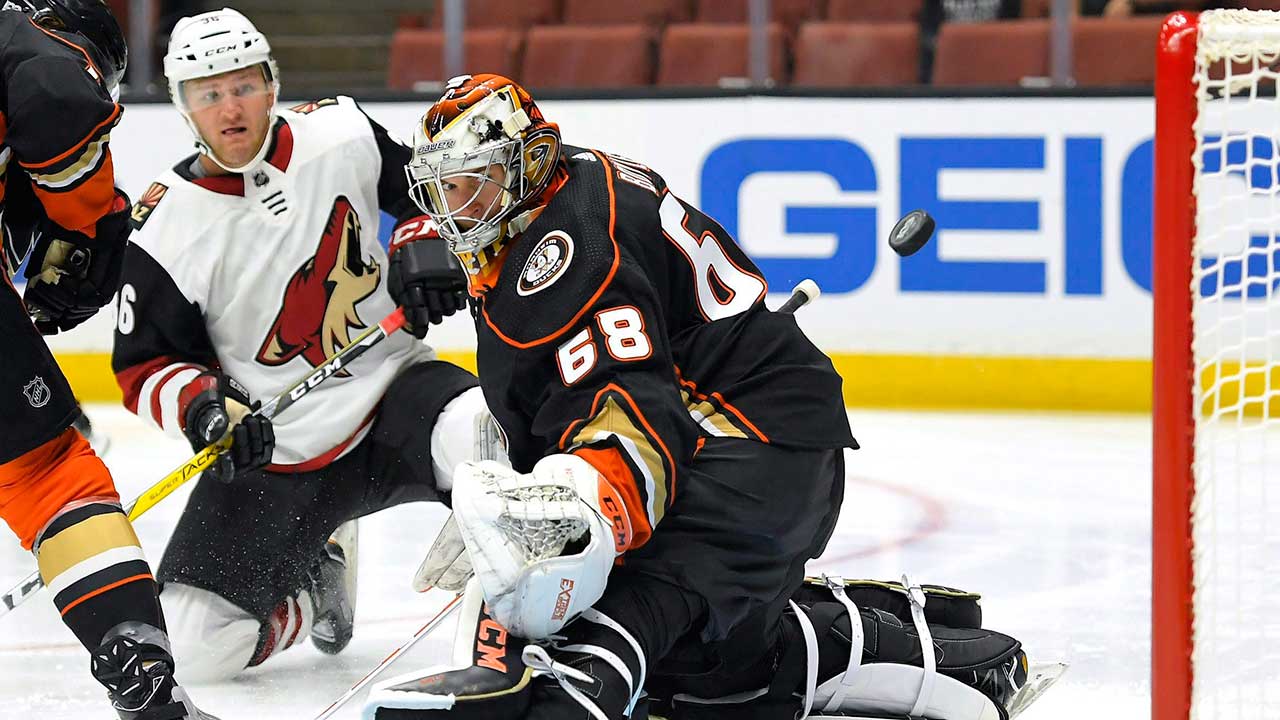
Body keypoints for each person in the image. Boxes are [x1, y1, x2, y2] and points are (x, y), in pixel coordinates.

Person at [363, 74, 1035, 720]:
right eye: (441, 188)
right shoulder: (549, 196)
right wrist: (524, 485)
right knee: (717, 687)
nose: (453, 208)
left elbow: (637, 424)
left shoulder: (570, 254)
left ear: (529, 161)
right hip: (737, 431)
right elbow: (571, 390)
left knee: (614, 615)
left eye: (469, 186)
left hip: (753, 449)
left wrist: (560, 518)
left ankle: (591, 687)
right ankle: (840, 628)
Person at [110, 8, 484, 682]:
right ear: (182, 106)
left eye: (244, 84)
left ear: (272, 82)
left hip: (393, 396)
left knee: (492, 440)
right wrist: (205, 411)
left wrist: (424, 242)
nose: (231, 108)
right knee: (191, 654)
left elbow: (428, 193)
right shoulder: (165, 226)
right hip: (277, 451)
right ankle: (311, 596)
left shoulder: (341, 132)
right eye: (209, 93)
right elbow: (146, 365)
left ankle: (544, 625)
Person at [0, 1, 216, 718]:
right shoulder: (36, 43)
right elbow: (57, 95)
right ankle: (142, 673)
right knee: (51, 479)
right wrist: (90, 222)